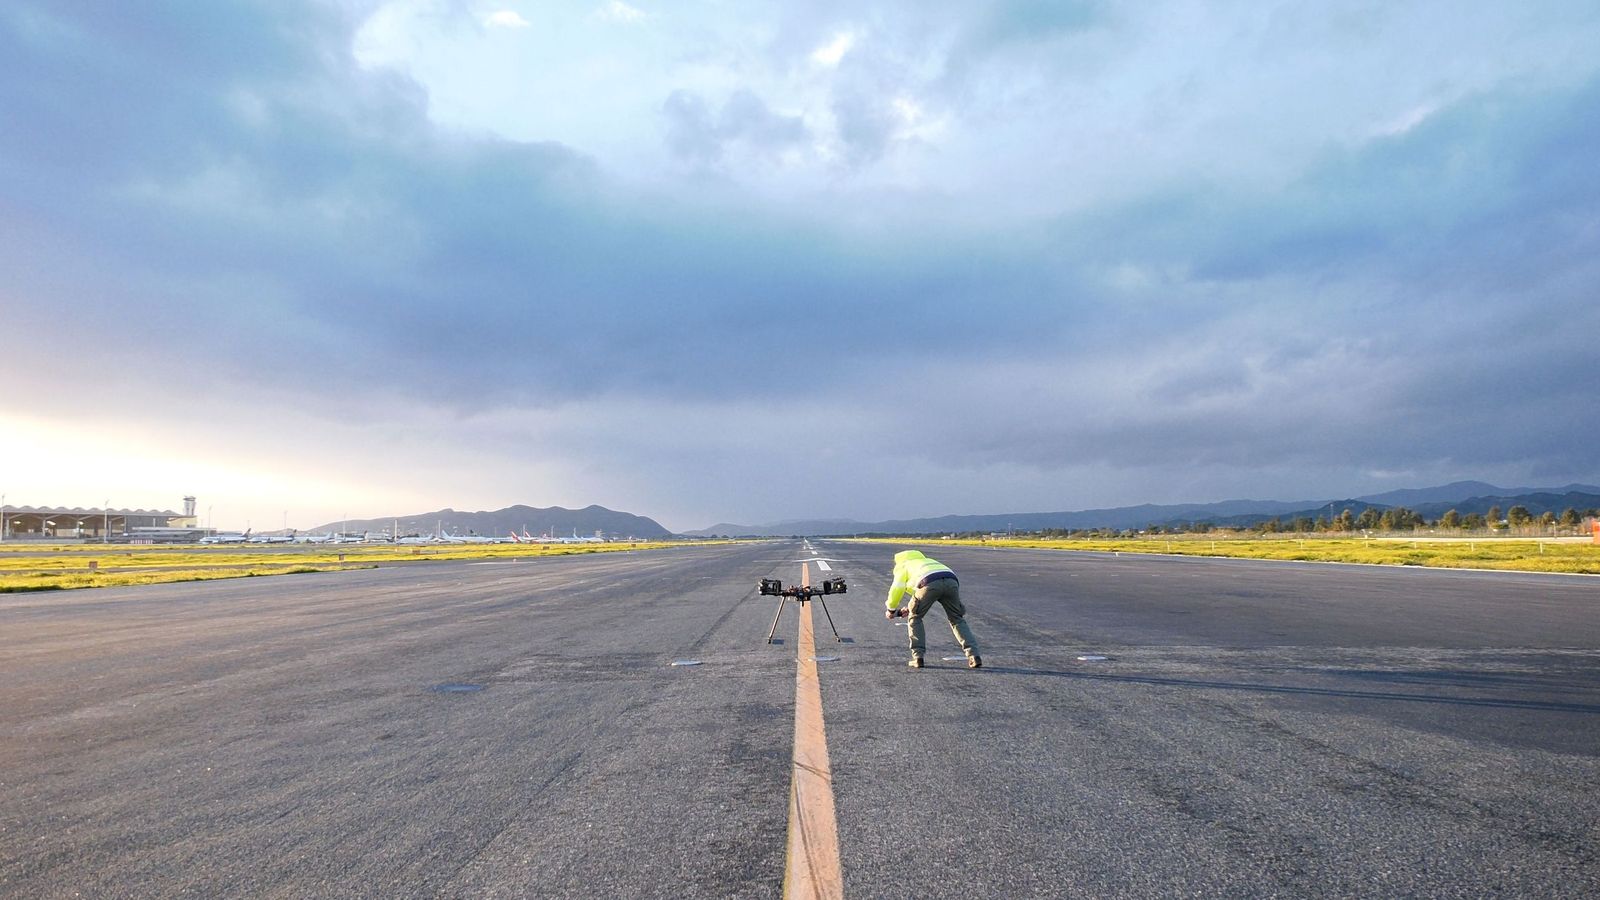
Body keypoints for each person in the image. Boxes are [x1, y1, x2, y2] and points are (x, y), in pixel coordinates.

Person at [884, 550, 981, 669]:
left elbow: (897, 588)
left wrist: (891, 609)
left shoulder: (903, 565)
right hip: (951, 581)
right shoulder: (927, 561)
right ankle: (974, 656)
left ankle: (918, 657)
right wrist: (912, 605)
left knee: (915, 617)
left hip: (928, 583)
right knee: (957, 619)